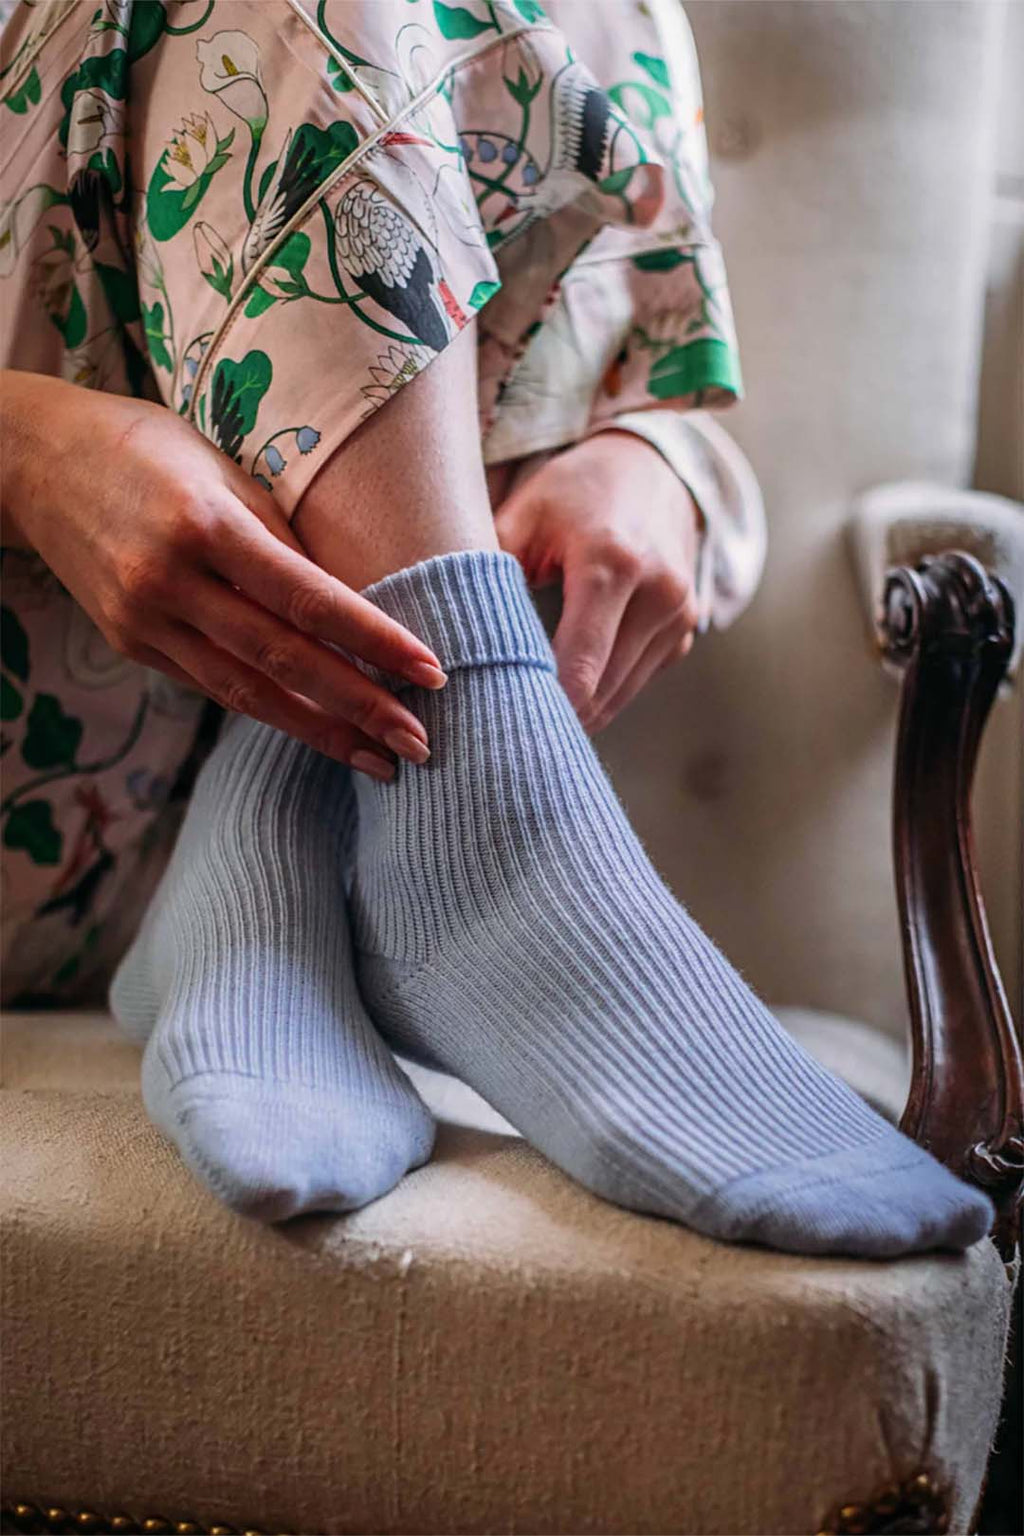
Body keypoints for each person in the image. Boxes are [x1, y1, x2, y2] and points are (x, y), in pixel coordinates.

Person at [0, 0, 991, 1255]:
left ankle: (272, 873)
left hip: (308, 843)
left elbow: (598, 370)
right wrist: (22, 452)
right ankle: (489, 874)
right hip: (44, 798)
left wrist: (661, 460)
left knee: (552, 19)